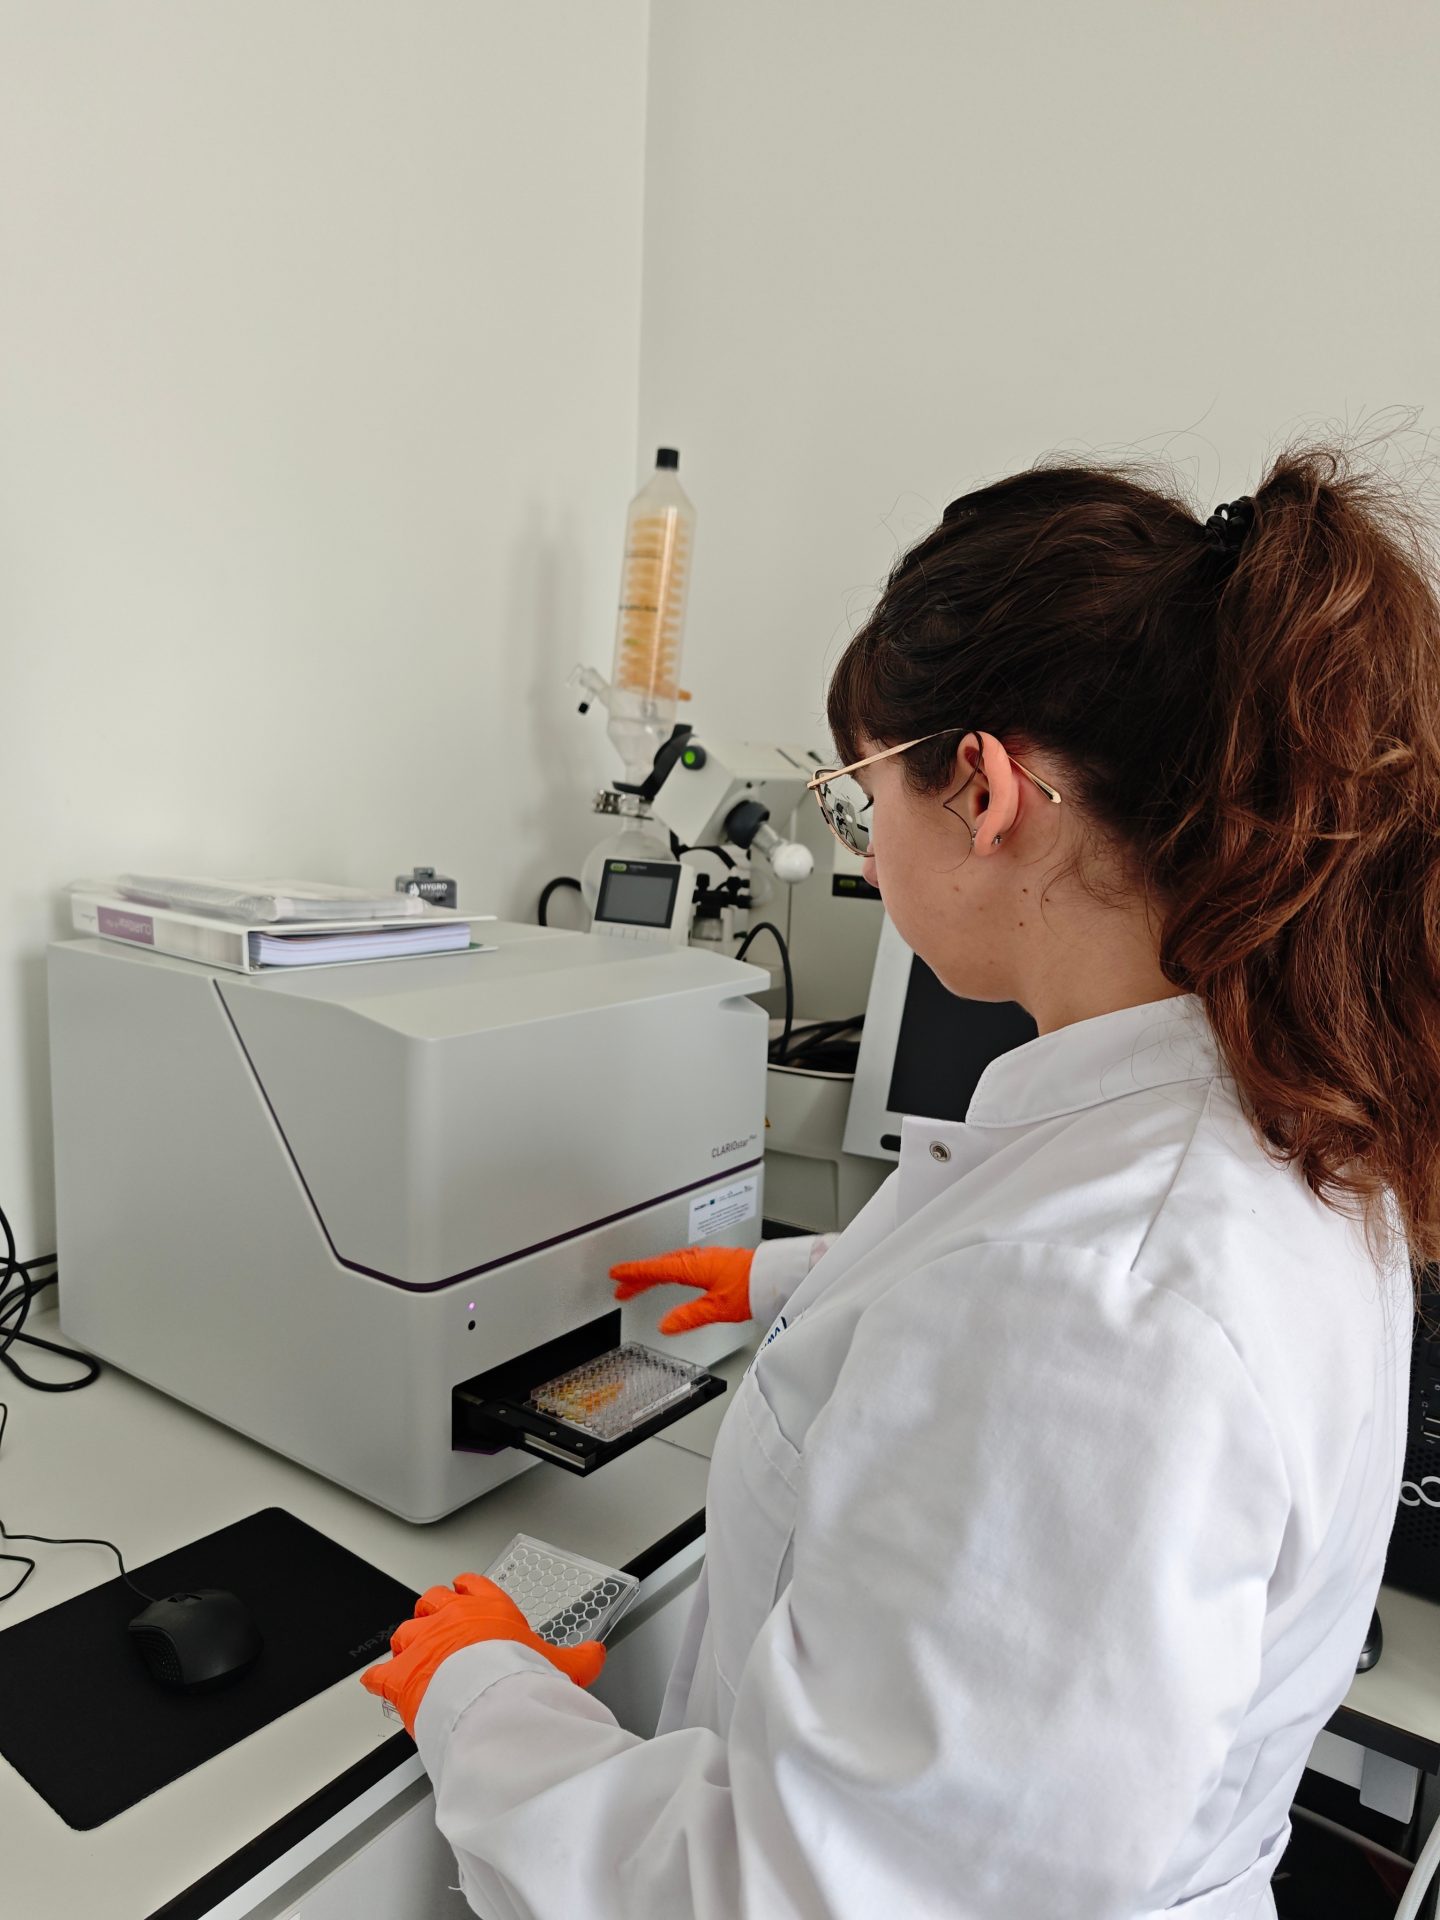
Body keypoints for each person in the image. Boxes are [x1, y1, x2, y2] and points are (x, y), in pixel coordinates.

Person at [363, 443, 1440, 1919]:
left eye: (858, 795)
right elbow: (1003, 1296)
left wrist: (483, 1694)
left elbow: (794, 1896)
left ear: (984, 789)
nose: (863, 850)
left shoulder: (1096, 1308)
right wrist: (778, 1278)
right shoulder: (1282, 1118)